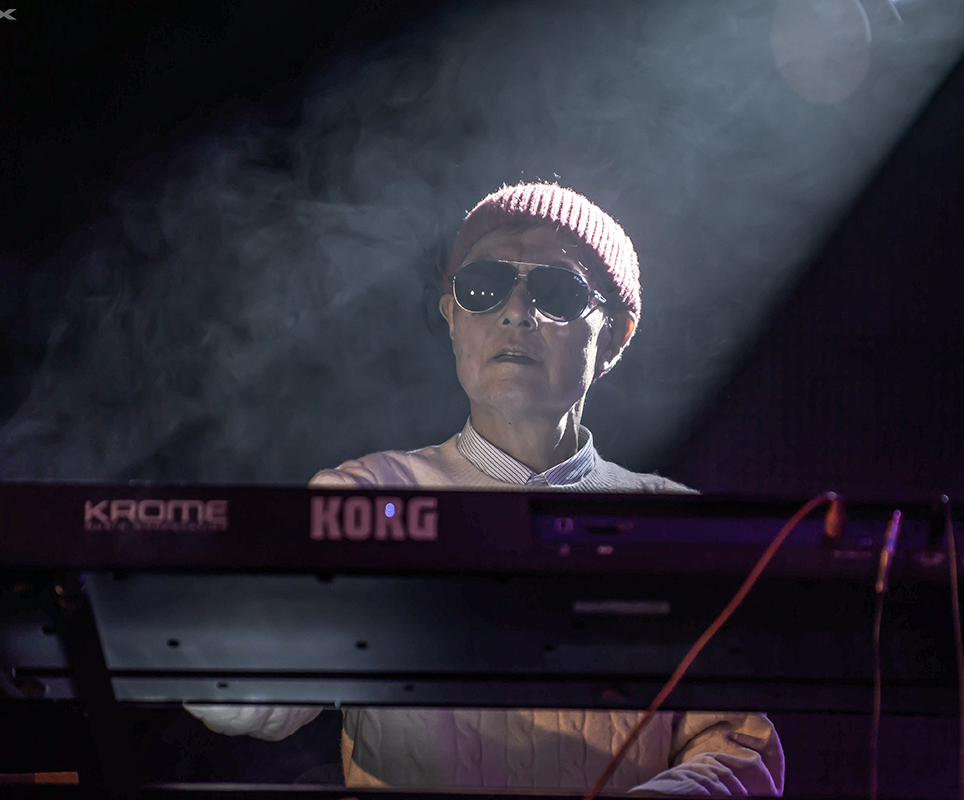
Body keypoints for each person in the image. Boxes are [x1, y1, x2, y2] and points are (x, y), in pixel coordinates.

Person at [188, 183, 784, 795]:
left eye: (557, 291)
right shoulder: (367, 494)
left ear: (613, 336)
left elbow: (737, 749)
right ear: (451, 318)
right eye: (483, 286)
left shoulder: (676, 521)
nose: (516, 310)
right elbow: (263, 700)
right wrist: (187, 617)